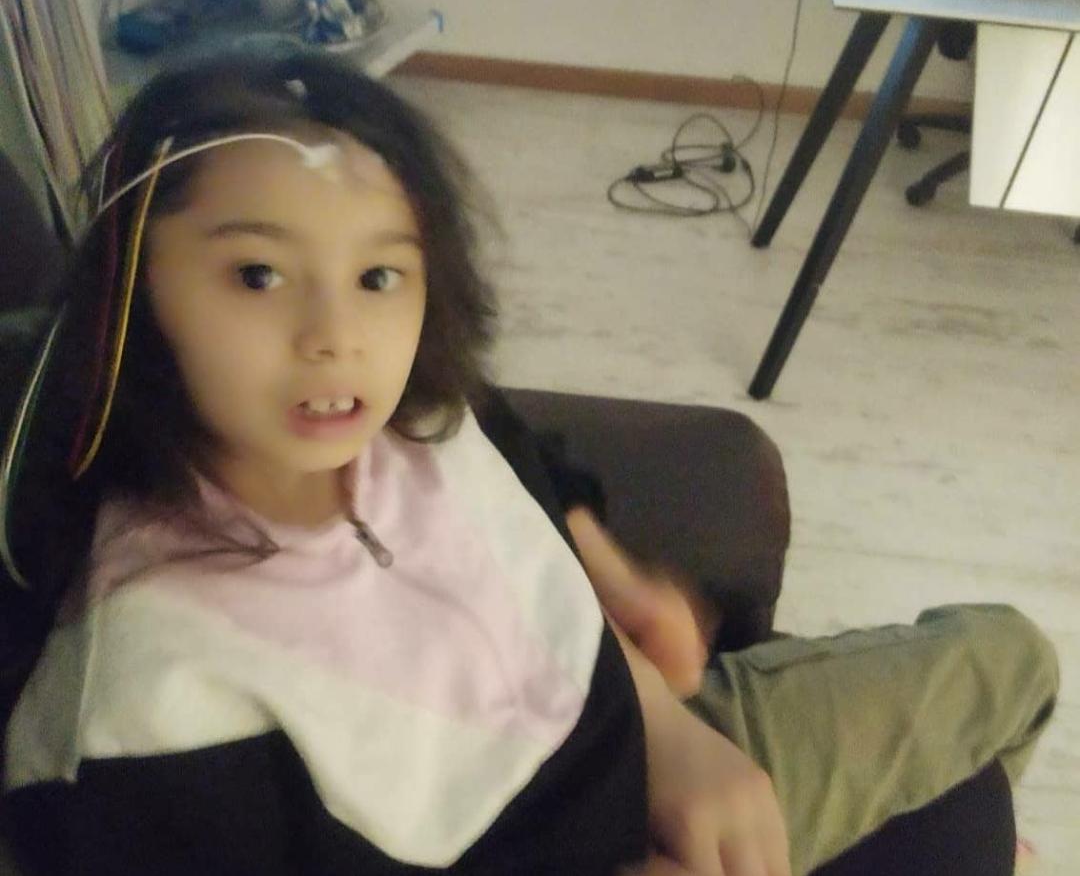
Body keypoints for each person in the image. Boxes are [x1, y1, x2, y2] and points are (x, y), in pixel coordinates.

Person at [0, 51, 1058, 876]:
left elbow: (520, 458)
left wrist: (634, 645)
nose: (335, 335)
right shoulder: (150, 707)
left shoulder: (417, 417)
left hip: (657, 746)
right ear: (132, 291)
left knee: (1015, 661)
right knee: (964, 805)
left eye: (379, 276)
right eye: (259, 273)